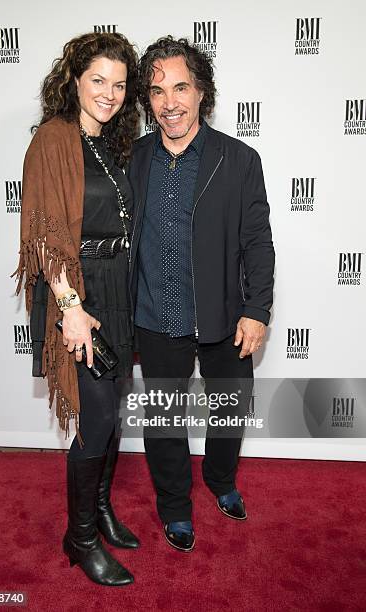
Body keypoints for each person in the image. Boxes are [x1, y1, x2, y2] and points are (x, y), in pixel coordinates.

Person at [128, 36, 275, 552]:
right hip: (153, 313)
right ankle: (174, 506)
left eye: (181, 87)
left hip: (222, 314)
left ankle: (220, 481)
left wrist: (257, 309)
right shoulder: (134, 157)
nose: (170, 102)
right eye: (158, 90)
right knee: (164, 422)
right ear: (147, 100)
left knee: (230, 410)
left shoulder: (239, 160)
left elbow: (258, 241)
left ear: (202, 91)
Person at [12, 32, 140, 585]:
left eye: (119, 84)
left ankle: (103, 508)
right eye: (98, 81)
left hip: (117, 286)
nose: (110, 94)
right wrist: (69, 307)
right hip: (78, 291)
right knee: (97, 418)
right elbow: (44, 232)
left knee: (112, 414)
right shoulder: (53, 138)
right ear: (74, 79)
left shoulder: (111, 145)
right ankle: (80, 536)